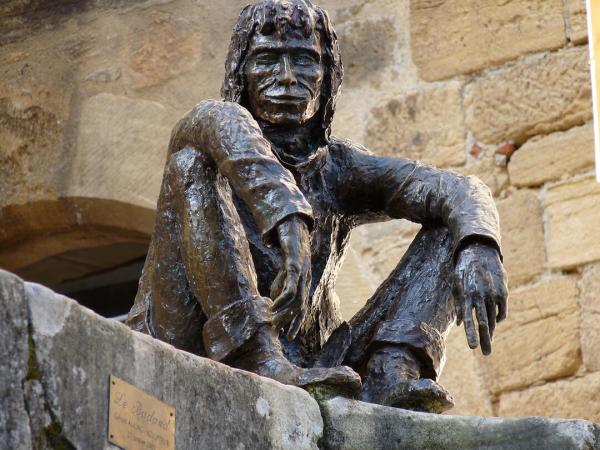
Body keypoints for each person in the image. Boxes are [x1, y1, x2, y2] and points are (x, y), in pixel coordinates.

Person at [127, 0, 508, 413]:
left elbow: (458, 189)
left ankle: (390, 371)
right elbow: (213, 120)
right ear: (241, 72)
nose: (287, 77)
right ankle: (255, 352)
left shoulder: (340, 168)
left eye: (305, 61)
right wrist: (285, 211)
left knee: (456, 224)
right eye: (267, 60)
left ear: (328, 77)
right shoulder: (209, 130)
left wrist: (479, 243)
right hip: (189, 342)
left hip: (311, 361)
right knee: (193, 158)